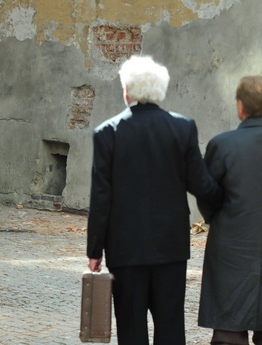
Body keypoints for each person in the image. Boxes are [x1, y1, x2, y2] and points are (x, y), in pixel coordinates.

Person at [86, 55, 222, 345]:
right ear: (160, 90)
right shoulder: (183, 128)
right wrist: (226, 199)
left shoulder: (107, 132)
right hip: (170, 246)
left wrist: (94, 249)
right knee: (171, 325)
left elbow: (101, 196)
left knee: (131, 326)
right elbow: (201, 184)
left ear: (127, 91)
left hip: (125, 248)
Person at [197, 76, 262, 345]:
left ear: (240, 107)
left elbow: (207, 193)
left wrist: (217, 219)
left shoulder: (223, 145)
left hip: (232, 244)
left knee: (229, 329)